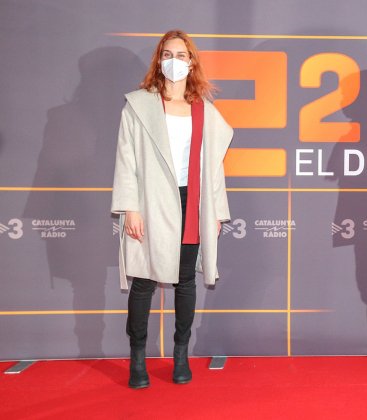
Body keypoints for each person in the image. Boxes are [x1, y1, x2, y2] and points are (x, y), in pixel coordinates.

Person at [111, 29, 233, 389]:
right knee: (144, 279)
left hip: (191, 202)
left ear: (191, 62)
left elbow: (213, 167)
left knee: (185, 280)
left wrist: (215, 211)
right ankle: (137, 358)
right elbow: (126, 159)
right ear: (158, 60)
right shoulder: (139, 105)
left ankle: (181, 354)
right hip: (150, 201)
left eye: (181, 55)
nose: (174, 62)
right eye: (167, 55)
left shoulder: (203, 111)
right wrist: (130, 207)